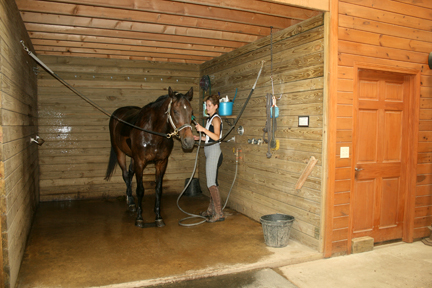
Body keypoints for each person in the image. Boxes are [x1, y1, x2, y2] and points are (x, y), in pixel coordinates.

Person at [194, 94, 224, 222]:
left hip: (214, 152)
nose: (207, 108)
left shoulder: (216, 119)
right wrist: (199, 137)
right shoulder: (209, 119)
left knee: (211, 184)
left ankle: (219, 214)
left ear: (216, 106)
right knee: (212, 182)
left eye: (209, 105)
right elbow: (209, 138)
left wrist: (202, 130)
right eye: (206, 105)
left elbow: (216, 137)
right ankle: (211, 211)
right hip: (209, 151)